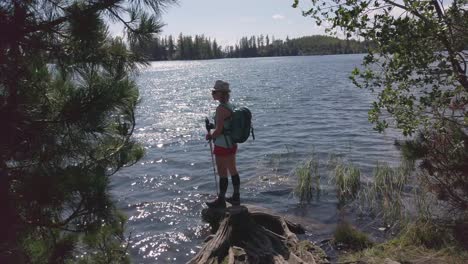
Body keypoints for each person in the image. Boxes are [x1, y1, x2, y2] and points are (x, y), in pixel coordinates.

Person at [205, 80, 241, 208]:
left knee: (222, 173)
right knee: (233, 170)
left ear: (221, 93)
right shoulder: (230, 106)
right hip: (231, 144)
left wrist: (210, 135)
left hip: (222, 145)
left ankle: (221, 200)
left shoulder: (221, 109)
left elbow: (219, 130)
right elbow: (225, 125)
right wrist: (213, 126)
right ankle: (236, 197)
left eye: (214, 91)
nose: (212, 93)